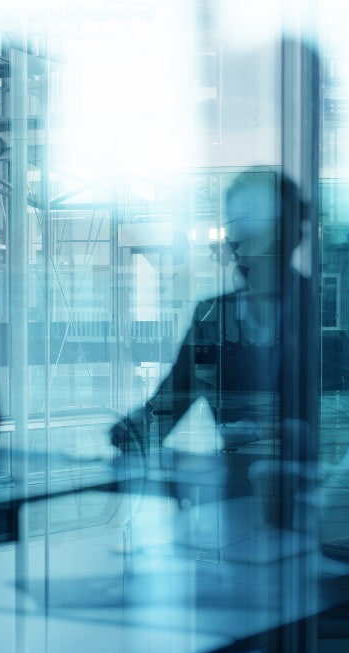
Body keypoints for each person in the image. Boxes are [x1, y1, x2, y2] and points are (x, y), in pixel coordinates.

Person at [112, 167, 311, 457]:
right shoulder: (214, 312)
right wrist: (138, 426)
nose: (236, 241)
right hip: (237, 479)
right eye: (235, 227)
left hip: (308, 484)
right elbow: (179, 388)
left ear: (288, 233)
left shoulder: (315, 311)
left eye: (253, 228)